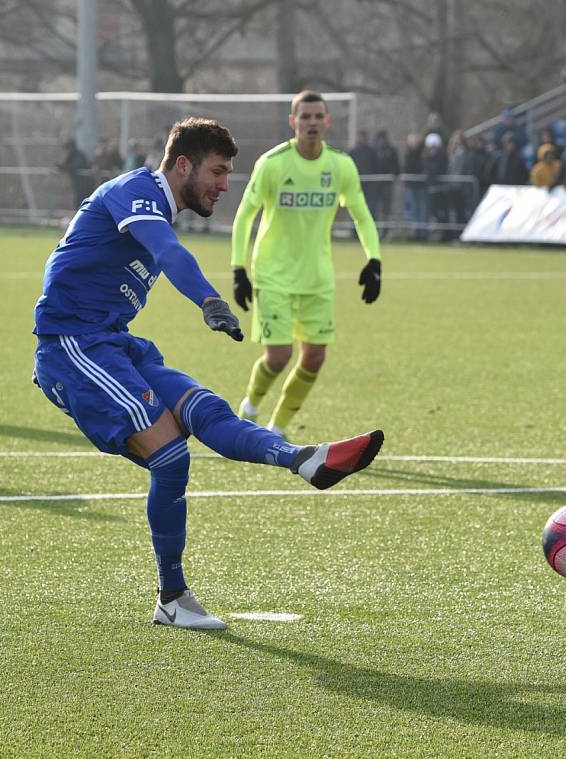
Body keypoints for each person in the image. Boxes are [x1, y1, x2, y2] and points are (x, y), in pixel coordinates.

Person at [32, 117, 384, 631]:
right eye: (217, 172)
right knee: (171, 453)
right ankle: (172, 597)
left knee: (203, 407)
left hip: (114, 342)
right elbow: (169, 253)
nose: (224, 185)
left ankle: (305, 460)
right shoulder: (136, 191)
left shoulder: (154, 206)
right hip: (71, 347)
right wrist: (209, 300)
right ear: (181, 165)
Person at [231, 90, 382, 438]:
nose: (311, 123)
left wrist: (374, 260)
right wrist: (239, 269)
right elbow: (244, 216)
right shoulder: (273, 164)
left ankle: (278, 428)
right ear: (293, 122)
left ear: (328, 121)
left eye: (318, 117)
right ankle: (250, 409)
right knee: (279, 356)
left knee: (314, 358)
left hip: (318, 278)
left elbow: (361, 215)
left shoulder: (341, 166)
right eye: (305, 117)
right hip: (273, 275)